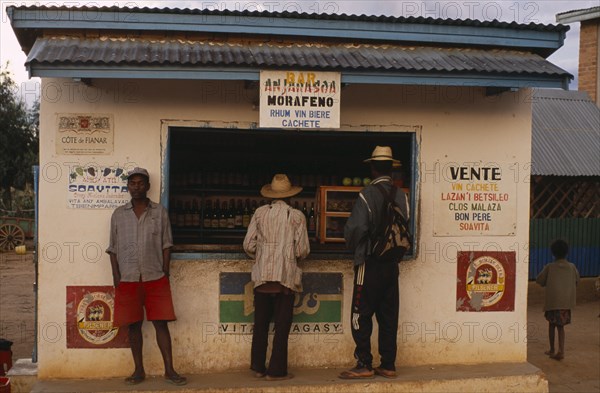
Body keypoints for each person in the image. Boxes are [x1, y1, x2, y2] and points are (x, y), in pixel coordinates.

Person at [106, 167, 187, 386]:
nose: (136, 187)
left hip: (156, 277)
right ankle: (138, 370)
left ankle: (169, 370)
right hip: (128, 279)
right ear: (128, 186)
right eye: (132, 183)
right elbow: (113, 249)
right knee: (133, 326)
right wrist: (116, 277)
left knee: (161, 324)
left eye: (141, 183)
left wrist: (166, 273)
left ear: (148, 186)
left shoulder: (159, 212)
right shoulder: (118, 215)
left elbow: (167, 245)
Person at [340, 146, 409, 379]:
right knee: (388, 316)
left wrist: (352, 245)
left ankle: (364, 363)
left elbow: (356, 228)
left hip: (369, 263)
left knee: (360, 313)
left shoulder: (366, 194)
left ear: (372, 167)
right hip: (392, 265)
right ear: (391, 168)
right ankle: (388, 364)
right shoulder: (402, 196)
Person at [243, 174, 310, 381]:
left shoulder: (259, 213)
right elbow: (303, 250)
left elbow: (248, 245)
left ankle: (257, 367)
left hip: (262, 278)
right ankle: (276, 371)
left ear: (271, 195)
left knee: (261, 324)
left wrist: (262, 256)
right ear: (290, 196)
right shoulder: (296, 216)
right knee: (282, 327)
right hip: (285, 280)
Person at [536, 239, 580, 361]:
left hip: (553, 302)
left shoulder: (550, 267)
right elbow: (577, 281)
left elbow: (539, 280)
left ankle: (552, 349)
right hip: (566, 302)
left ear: (553, 253)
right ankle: (561, 350)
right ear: (567, 253)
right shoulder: (572, 267)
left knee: (551, 325)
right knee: (561, 327)